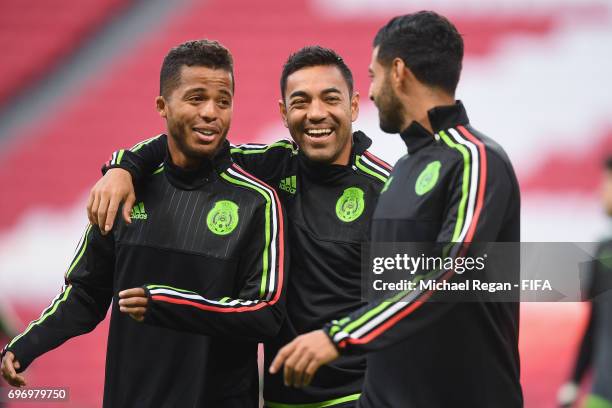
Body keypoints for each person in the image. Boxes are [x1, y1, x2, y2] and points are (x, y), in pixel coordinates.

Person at [87, 46, 390, 408]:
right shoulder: (266, 168)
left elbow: (418, 299)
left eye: (330, 99)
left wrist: (339, 340)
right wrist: (123, 166)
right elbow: (183, 144)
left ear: (353, 106)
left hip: (359, 397)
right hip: (280, 399)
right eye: (300, 102)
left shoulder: (386, 190)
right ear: (283, 112)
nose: (316, 114)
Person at [1, 39, 287, 408]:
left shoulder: (256, 201)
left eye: (223, 101)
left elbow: (265, 315)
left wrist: (169, 303)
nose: (211, 113)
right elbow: (86, 293)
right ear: (162, 106)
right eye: (196, 98)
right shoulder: (125, 191)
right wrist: (26, 346)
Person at [269, 11, 523, 408]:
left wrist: (339, 335)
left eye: (373, 75)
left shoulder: (474, 158)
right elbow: (386, 294)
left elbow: (453, 272)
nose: (370, 93)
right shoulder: (404, 169)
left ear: (399, 72)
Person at [558, 157, 612, 408]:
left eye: (609, 182)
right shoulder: (603, 250)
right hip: (601, 393)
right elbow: (596, 321)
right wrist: (574, 381)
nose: (602, 190)